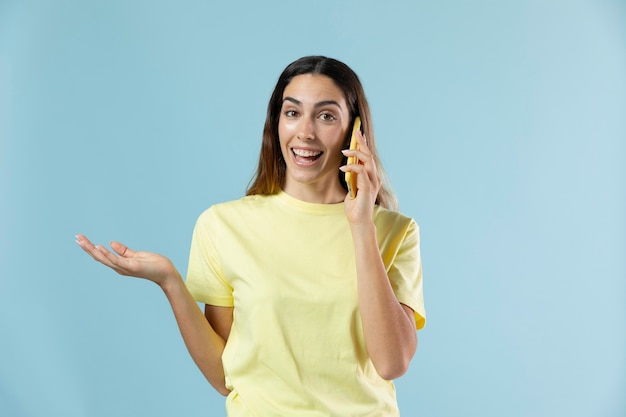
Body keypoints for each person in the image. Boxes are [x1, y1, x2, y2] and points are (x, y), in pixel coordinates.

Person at [76, 55, 426, 416]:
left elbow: (392, 363)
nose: (305, 132)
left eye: (326, 116)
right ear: (276, 123)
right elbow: (225, 376)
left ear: (355, 132)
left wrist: (361, 225)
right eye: (292, 113)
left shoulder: (395, 232)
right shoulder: (223, 226)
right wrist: (170, 281)